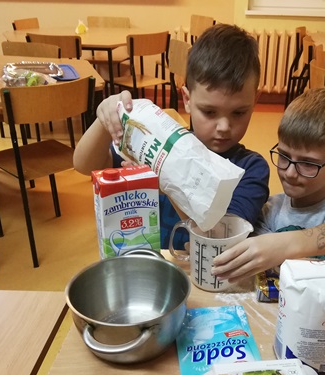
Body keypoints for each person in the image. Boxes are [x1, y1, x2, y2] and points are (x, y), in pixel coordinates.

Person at [73, 24, 270, 249]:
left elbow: (217, 241)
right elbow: (84, 165)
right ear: (187, 99)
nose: (224, 127)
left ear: (254, 101)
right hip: (148, 260)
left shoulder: (251, 170)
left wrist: (168, 183)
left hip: (196, 269)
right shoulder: (158, 145)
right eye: (209, 112)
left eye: (239, 112)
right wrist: (104, 117)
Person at [211, 87, 325, 283]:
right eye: (284, 156)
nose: (290, 173)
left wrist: (287, 245)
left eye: (307, 163)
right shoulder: (270, 210)